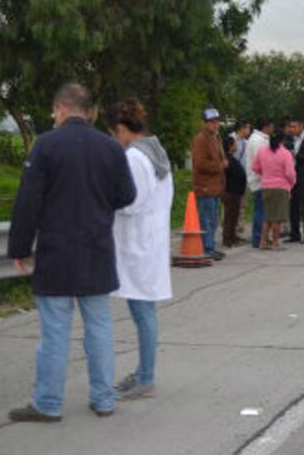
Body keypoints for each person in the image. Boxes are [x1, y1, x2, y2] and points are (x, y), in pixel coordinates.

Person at [7, 84, 136, 422]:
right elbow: (126, 195)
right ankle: (104, 399)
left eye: (54, 112)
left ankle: (48, 404)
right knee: (99, 328)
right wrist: (98, 207)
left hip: (57, 254)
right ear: (89, 111)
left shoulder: (46, 146)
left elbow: (28, 201)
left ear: (61, 108)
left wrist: (20, 247)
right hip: (97, 249)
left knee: (54, 333)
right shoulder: (110, 148)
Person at [107, 99, 173, 401]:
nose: (113, 140)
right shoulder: (155, 151)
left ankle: (146, 377)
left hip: (139, 244)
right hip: (150, 240)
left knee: (143, 311)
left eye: (113, 134)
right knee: (143, 310)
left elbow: (132, 201)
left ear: (122, 129)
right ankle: (143, 370)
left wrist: (107, 200)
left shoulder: (135, 157)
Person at [191, 107, 227, 262]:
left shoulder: (216, 138)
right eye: (211, 122)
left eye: (216, 121)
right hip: (205, 187)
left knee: (213, 219)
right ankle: (207, 248)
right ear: (204, 123)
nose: (215, 124)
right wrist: (220, 165)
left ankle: (211, 246)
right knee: (206, 218)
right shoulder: (200, 140)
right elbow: (199, 163)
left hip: (215, 186)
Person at [251, 130, 296, 251]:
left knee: (268, 217)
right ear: (282, 141)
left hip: (266, 186)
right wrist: (291, 183)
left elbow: (255, 167)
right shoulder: (285, 153)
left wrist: (265, 174)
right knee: (277, 217)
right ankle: (275, 243)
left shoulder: (262, 151)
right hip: (281, 187)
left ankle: (263, 242)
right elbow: (289, 173)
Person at [244, 118, 273, 248]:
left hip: (262, 180)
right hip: (259, 180)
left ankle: (263, 237)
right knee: (260, 210)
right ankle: (258, 238)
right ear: (266, 127)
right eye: (271, 126)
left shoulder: (261, 139)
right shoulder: (257, 141)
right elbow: (261, 161)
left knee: (263, 210)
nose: (272, 129)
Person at [222, 136, 248, 248]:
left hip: (236, 192)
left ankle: (233, 235)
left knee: (234, 215)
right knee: (229, 215)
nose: (236, 146)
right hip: (230, 191)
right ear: (230, 146)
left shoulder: (232, 158)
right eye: (234, 144)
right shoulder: (226, 159)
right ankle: (227, 237)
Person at [229, 120, 252, 235]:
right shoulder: (230, 139)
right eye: (247, 128)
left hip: (243, 176)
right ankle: (229, 227)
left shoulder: (247, 143)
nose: (249, 131)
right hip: (231, 177)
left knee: (242, 203)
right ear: (241, 128)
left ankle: (239, 225)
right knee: (230, 203)